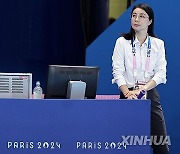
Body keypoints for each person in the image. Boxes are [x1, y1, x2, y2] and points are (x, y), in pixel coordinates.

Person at [112, 3, 169, 154]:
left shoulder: (158, 44)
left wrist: (142, 89)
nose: (136, 19)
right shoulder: (122, 42)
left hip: (149, 94)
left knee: (161, 144)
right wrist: (127, 92)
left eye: (142, 16)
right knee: (127, 143)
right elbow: (117, 71)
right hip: (127, 95)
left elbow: (161, 74)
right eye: (134, 15)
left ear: (150, 21)